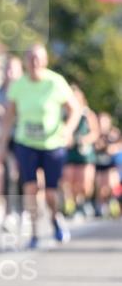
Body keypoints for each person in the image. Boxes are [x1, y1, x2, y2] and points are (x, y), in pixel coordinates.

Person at [0, 44, 80, 249]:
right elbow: (9, 117)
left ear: (45, 61)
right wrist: (1, 144)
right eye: (30, 58)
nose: (34, 63)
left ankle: (55, 217)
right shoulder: (19, 85)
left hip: (52, 144)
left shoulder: (56, 82)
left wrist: (67, 130)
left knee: (50, 192)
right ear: (25, 62)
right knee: (30, 188)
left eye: (38, 58)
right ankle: (34, 232)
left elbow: (75, 110)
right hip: (26, 143)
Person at [0, 55, 23, 229]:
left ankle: (23, 210)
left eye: (13, 69)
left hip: (22, 137)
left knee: (21, 175)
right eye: (7, 69)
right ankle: (4, 210)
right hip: (3, 137)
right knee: (2, 172)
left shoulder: (25, 90)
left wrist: (11, 114)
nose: (9, 73)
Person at [62, 85, 99, 219]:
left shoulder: (87, 114)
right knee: (69, 179)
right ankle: (73, 204)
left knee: (84, 181)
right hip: (70, 151)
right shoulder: (64, 114)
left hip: (84, 153)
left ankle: (84, 201)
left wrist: (84, 139)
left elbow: (95, 132)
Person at [93, 113, 122, 218]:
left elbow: (119, 144)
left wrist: (113, 148)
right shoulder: (95, 133)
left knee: (111, 184)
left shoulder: (113, 133)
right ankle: (100, 206)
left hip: (111, 164)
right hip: (99, 165)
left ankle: (113, 202)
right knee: (101, 188)